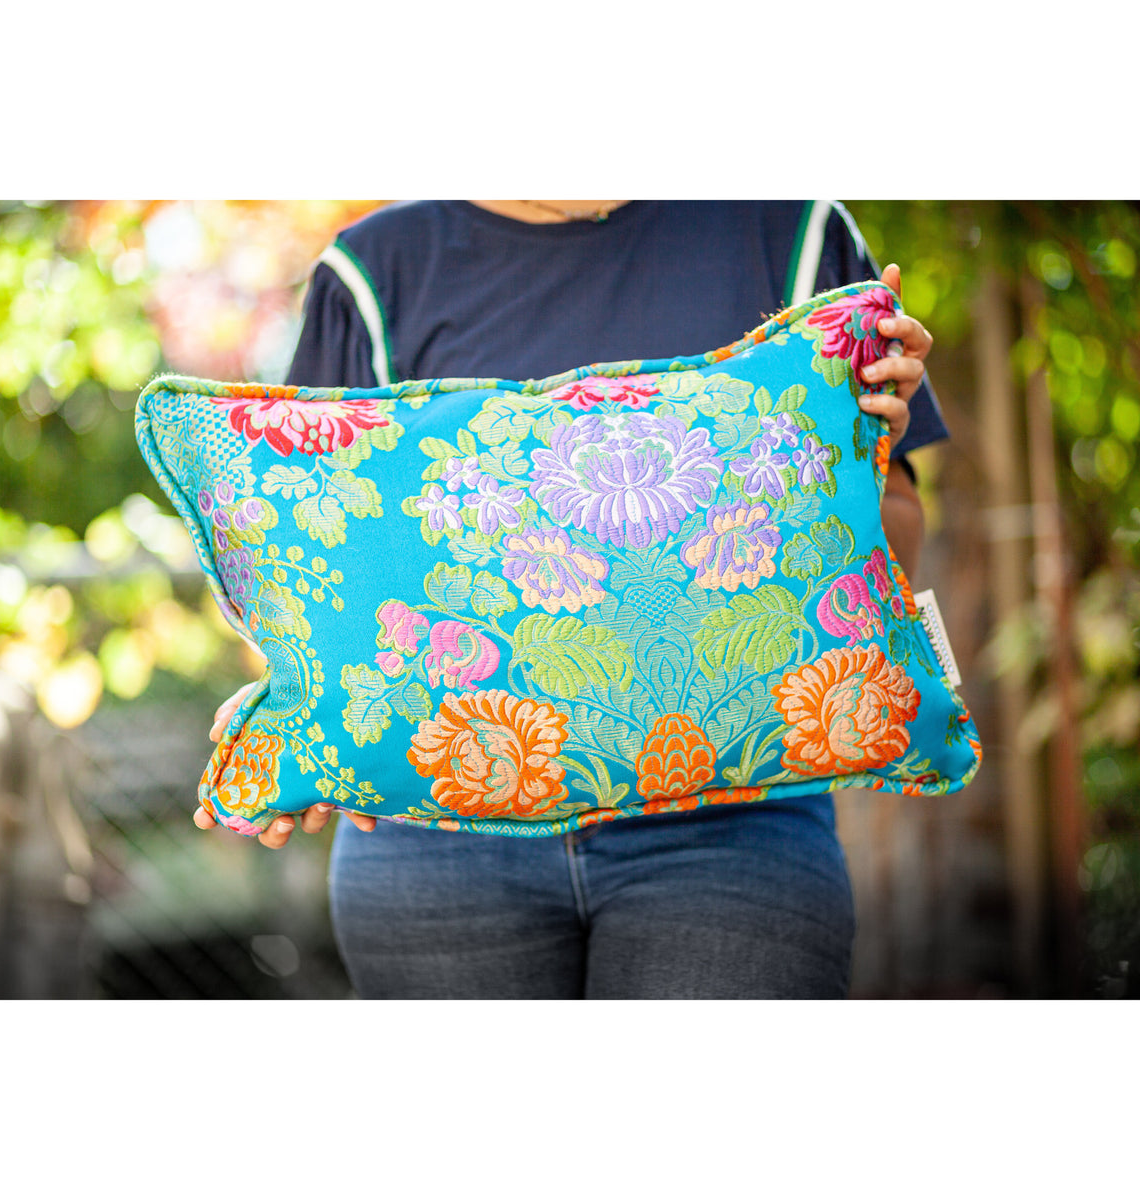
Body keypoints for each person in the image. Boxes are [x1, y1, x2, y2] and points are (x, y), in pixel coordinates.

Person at [197, 200, 943, 998]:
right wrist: (306, 715)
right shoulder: (375, 270)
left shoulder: (789, 230)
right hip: (435, 849)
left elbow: (896, 529)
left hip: (736, 829)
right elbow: (311, 570)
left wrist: (853, 472)